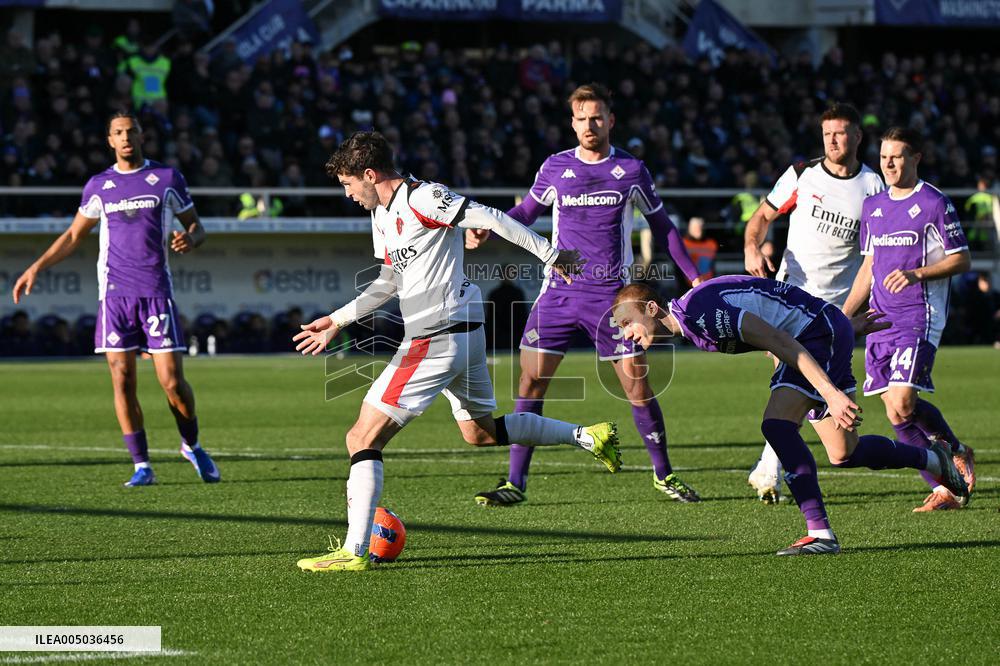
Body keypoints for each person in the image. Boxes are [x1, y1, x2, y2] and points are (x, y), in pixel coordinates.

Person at [292, 131, 622, 572]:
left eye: (349, 184)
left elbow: (492, 217)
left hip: (436, 335)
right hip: (462, 336)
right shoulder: (381, 215)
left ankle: (354, 552)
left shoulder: (423, 197)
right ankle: (587, 435)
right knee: (479, 433)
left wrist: (550, 254)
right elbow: (389, 280)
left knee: (361, 438)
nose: (348, 194)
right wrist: (337, 320)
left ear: (369, 174)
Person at [467, 83, 704, 507]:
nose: (590, 125)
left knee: (637, 387)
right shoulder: (555, 167)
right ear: (572, 123)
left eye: (597, 117)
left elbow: (663, 227)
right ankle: (515, 483)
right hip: (559, 295)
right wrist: (490, 226)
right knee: (530, 382)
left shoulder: (631, 170)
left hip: (613, 300)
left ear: (611, 120)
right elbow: (525, 214)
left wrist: (695, 278)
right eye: (582, 118)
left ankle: (664, 474)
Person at [611, 278, 967, 555]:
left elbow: (779, 341)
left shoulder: (701, 312)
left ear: (652, 308)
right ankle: (933, 459)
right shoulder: (693, 320)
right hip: (822, 332)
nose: (626, 334)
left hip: (813, 339)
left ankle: (820, 534)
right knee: (844, 453)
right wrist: (843, 327)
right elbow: (775, 314)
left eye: (627, 323)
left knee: (777, 426)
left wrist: (830, 391)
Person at [11, 111, 220, 487]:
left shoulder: (167, 179)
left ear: (141, 136)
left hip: (156, 293)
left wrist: (191, 238)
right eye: (118, 132)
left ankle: (192, 444)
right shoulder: (99, 185)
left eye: (131, 131)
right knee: (122, 379)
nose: (125, 137)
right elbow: (73, 236)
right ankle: (142, 465)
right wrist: (37, 267)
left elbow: (196, 226)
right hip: (114, 297)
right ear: (110, 140)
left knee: (172, 382)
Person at [743, 103, 885, 504]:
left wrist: (848, 312)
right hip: (790, 297)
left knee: (801, 386)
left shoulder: (872, 186)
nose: (832, 141)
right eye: (827, 134)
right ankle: (771, 468)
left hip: (837, 307)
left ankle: (770, 467)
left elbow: (874, 256)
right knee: (790, 379)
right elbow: (761, 217)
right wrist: (752, 246)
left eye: (840, 133)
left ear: (857, 136)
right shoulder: (802, 174)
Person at [842, 126, 976, 512]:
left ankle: (955, 453)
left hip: (919, 315)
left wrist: (917, 274)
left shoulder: (934, 203)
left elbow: (962, 259)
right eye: (884, 157)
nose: (888, 164)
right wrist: (843, 316)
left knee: (902, 400)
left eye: (896, 157)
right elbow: (869, 266)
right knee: (895, 412)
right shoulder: (873, 206)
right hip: (879, 320)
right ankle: (946, 486)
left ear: (916, 158)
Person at [682, 217, 718, 283]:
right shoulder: (683, 243)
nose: (699, 229)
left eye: (701, 227)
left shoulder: (711, 243)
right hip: (688, 283)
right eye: (696, 227)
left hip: (707, 282)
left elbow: (712, 265)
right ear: (689, 228)